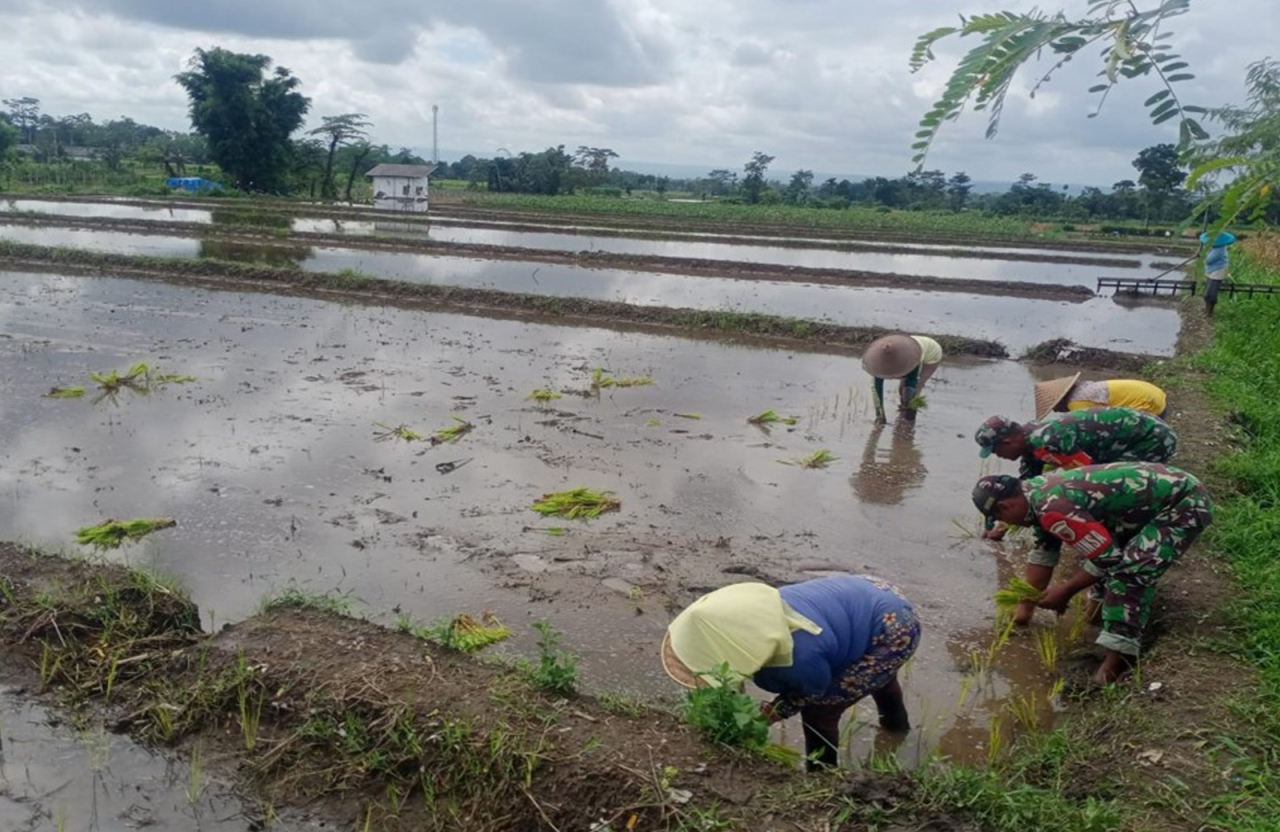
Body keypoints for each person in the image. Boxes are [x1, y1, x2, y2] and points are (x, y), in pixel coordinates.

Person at [971, 463, 1213, 683]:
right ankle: (1100, 625)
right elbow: (1044, 554)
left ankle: (1116, 664)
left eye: (1000, 518)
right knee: (1099, 567)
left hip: (1182, 503)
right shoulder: (1034, 494)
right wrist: (1024, 610)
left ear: (1006, 506)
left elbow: (1108, 559)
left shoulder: (1053, 508)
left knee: (1127, 573)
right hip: (1141, 507)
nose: (1006, 524)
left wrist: (1065, 591)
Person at [661, 574, 920, 769]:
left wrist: (772, 715)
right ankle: (896, 732)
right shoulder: (751, 615)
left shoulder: (798, 658)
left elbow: (812, 691)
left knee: (821, 711)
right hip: (870, 590)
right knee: (878, 679)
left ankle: (822, 778)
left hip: (893, 630)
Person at [862, 334, 943, 424]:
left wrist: (909, 410)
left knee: (912, 390)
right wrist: (880, 416)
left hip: (931, 354)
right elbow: (876, 391)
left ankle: (909, 419)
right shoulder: (878, 366)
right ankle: (903, 411)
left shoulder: (911, 359)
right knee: (903, 391)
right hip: (909, 350)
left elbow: (912, 383)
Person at [1033, 373, 1168, 419]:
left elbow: (1089, 427)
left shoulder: (1077, 403)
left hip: (1151, 406)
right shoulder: (1084, 387)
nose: (1056, 411)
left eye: (1055, 406)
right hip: (1155, 394)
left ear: (1061, 399)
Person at [1199, 230, 1238, 317]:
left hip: (1218, 271)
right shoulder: (1216, 248)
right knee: (1207, 292)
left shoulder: (1219, 250)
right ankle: (1206, 310)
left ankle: (1209, 312)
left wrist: (1203, 256)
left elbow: (1209, 260)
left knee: (1211, 293)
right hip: (1212, 271)